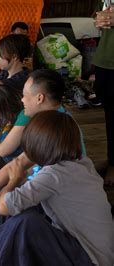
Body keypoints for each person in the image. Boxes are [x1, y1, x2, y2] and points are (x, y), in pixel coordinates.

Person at [0, 111, 113, 266]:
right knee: (21, 210)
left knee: (26, 222)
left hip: (89, 259)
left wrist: (14, 180)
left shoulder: (55, 173)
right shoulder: (79, 162)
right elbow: (12, 198)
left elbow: (4, 206)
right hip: (76, 245)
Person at [0, 69, 73, 237]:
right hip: (28, 183)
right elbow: (19, 164)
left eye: (25, 95)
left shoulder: (56, 129)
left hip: (44, 202)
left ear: (39, 98)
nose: (21, 100)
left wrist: (1, 192)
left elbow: (21, 176)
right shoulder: (46, 121)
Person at [93, 1, 114, 186]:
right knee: (109, 114)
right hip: (105, 60)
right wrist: (98, 20)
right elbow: (98, 13)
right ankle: (112, 160)